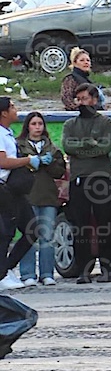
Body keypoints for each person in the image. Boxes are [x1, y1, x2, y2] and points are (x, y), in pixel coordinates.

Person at [62, 83, 111, 284]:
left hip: (100, 179)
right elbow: (68, 146)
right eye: (79, 99)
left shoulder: (105, 122)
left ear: (95, 100)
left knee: (104, 224)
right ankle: (83, 270)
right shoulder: (70, 125)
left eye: (85, 98)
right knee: (80, 226)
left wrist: (84, 147)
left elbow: (104, 148)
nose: (81, 103)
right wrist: (89, 143)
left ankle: (107, 269)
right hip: (79, 179)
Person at [16, 112, 66, 287]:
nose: (37, 127)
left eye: (40, 124)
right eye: (34, 124)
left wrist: (50, 162)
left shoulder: (52, 147)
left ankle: (47, 273)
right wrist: (31, 162)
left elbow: (59, 171)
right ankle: (27, 273)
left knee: (47, 236)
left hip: (47, 196)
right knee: (29, 235)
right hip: (27, 196)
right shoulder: (19, 145)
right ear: (27, 126)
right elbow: (15, 167)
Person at [0, 97, 45, 291]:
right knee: (6, 232)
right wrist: (27, 160)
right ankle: (1, 275)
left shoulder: (8, 133)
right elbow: (3, 162)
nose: (16, 110)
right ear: (3, 113)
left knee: (32, 228)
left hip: (16, 190)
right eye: (12, 107)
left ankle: (6, 268)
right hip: (4, 187)